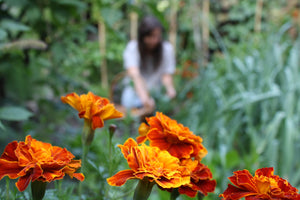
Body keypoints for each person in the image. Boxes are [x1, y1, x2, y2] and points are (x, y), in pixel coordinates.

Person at [121, 16, 176, 111]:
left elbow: (166, 75)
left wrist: (170, 89)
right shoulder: (133, 48)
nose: (155, 40)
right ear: (142, 36)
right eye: (151, 36)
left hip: (155, 93)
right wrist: (145, 98)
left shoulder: (167, 49)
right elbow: (135, 76)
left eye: (158, 36)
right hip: (134, 94)